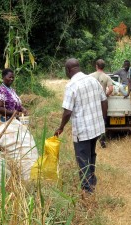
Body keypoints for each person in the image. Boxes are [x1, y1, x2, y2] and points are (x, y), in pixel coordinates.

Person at [0, 68, 38, 188]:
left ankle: (22, 176)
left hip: (13, 122)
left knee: (19, 146)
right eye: (9, 77)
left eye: (12, 77)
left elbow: (17, 105)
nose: (11, 79)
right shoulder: (1, 91)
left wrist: (22, 110)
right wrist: (12, 113)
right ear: (3, 77)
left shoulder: (11, 91)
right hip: (2, 123)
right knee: (0, 147)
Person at [54, 58, 107, 194]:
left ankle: (87, 190)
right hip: (95, 127)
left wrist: (61, 127)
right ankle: (92, 181)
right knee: (91, 154)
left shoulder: (72, 85)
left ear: (68, 70)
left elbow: (67, 111)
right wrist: (103, 120)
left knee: (83, 159)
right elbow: (104, 101)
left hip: (83, 130)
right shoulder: (93, 80)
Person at [89, 59, 113, 148]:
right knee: (103, 120)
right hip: (102, 102)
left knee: (92, 120)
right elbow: (111, 89)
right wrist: (105, 95)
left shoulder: (90, 76)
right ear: (104, 67)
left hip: (92, 101)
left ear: (96, 66)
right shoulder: (106, 77)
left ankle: (92, 139)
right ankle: (103, 141)